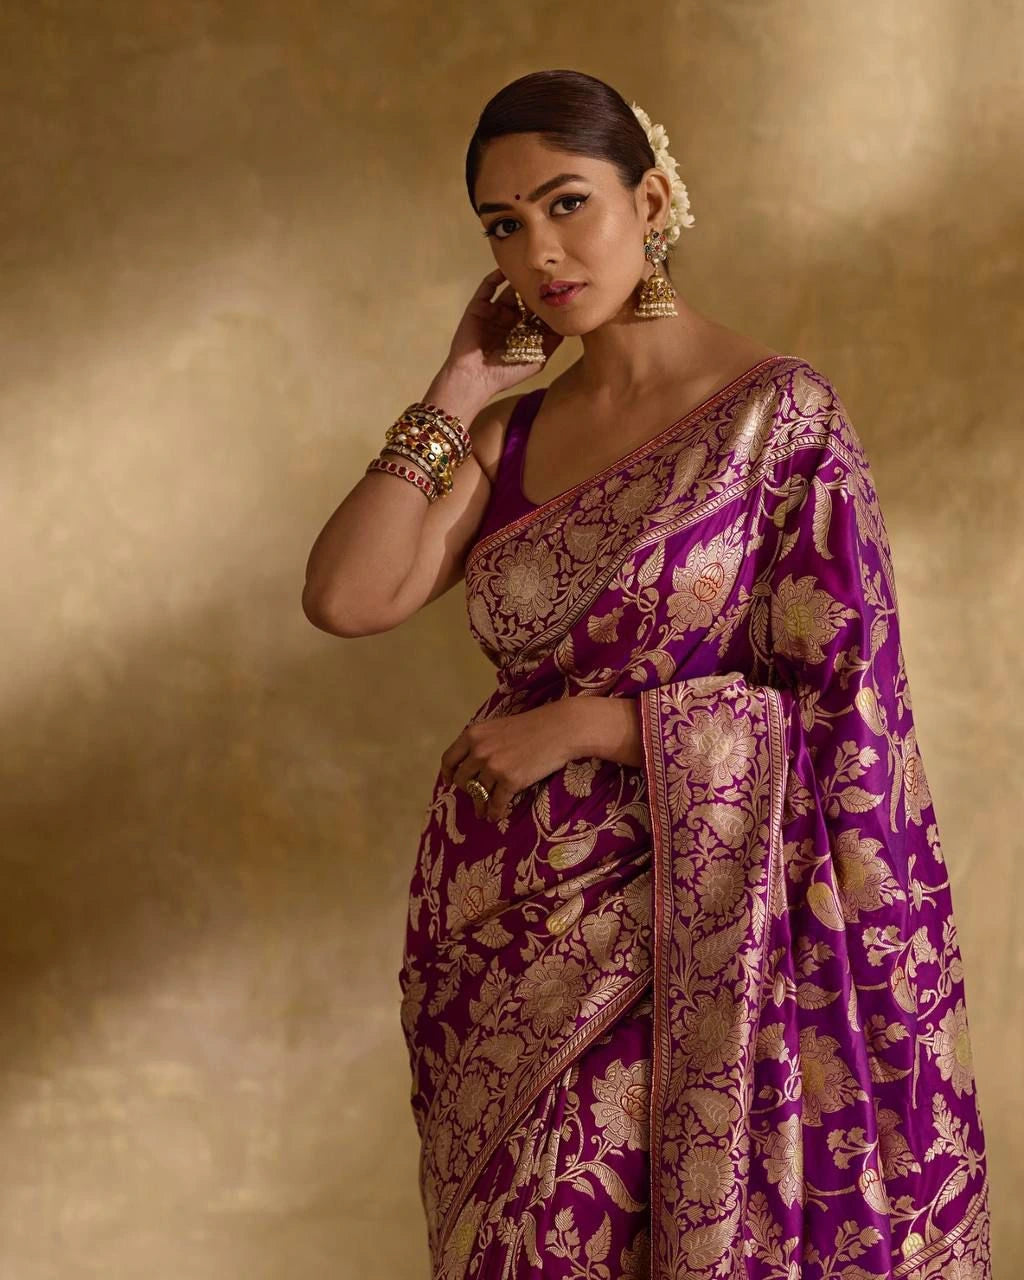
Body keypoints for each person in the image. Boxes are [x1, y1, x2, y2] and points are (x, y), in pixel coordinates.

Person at [302, 69, 991, 1280]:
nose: (541, 252)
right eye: (503, 226)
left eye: (568, 204)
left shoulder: (775, 419)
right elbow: (347, 596)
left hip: (703, 947)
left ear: (654, 195)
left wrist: (596, 722)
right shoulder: (508, 437)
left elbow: (847, 711)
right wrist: (460, 384)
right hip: (514, 948)